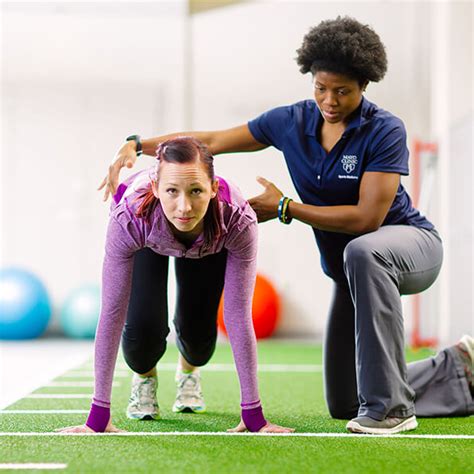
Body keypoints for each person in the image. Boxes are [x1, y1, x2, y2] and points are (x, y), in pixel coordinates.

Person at [98, 16, 474, 435]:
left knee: (363, 250)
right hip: (353, 273)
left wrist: (286, 207)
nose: (329, 100)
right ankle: (458, 371)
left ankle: (392, 412)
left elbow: (368, 220)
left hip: (407, 248)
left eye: (342, 91)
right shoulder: (291, 122)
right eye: (320, 88)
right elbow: (214, 141)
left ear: (364, 86)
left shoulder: (384, 130)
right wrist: (137, 145)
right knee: (347, 401)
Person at [58, 136, 294, 434]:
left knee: (199, 342)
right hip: (149, 235)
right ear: (156, 188)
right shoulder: (130, 216)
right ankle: (144, 377)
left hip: (209, 242)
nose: (184, 206)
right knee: (141, 337)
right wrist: (98, 415)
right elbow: (112, 312)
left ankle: (189, 370)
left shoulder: (236, 219)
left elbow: (237, 314)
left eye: (196, 190)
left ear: (213, 189)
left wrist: (253, 415)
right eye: (172, 191)